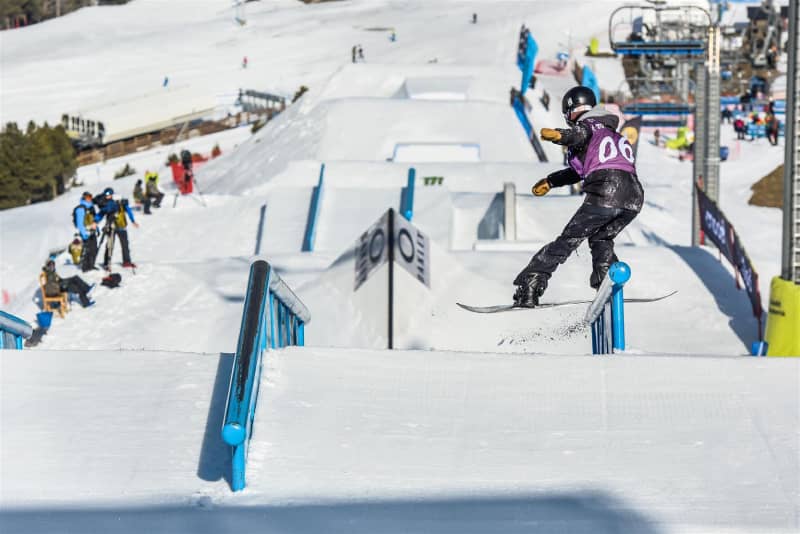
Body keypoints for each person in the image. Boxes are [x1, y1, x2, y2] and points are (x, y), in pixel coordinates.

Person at [512, 86, 644, 307]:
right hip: (633, 197)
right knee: (602, 238)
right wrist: (551, 181)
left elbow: (578, 134)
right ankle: (607, 281)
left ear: (571, 111)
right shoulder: (611, 133)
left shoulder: (589, 125)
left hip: (606, 192)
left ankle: (530, 284)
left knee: (568, 240)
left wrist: (559, 136)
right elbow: (579, 171)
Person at [95, 187, 139, 270]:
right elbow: (101, 213)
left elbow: (128, 211)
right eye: (105, 194)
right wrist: (95, 221)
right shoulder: (106, 204)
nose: (107, 196)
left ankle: (127, 261)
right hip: (111, 226)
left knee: (125, 245)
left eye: (108, 194)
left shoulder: (120, 202)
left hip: (121, 226)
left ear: (112, 194)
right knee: (109, 245)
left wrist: (133, 221)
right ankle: (106, 263)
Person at [72, 191, 98, 272]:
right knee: (87, 250)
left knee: (93, 249)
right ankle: (85, 267)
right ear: (84, 198)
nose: (89, 199)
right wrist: (84, 234)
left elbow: (93, 220)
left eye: (90, 197)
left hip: (92, 232)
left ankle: (91, 265)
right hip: (86, 233)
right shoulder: (81, 208)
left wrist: (96, 230)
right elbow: (80, 224)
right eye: (88, 197)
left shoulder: (91, 207)